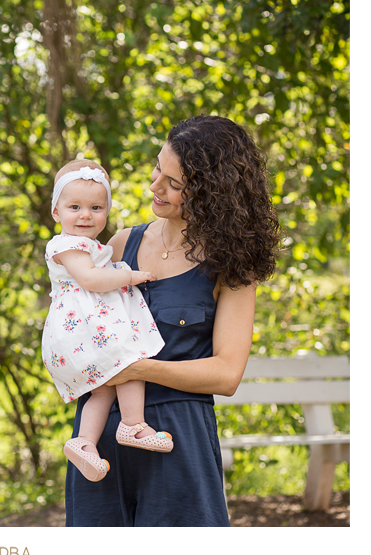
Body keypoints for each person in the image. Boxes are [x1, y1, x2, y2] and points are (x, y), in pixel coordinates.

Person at [64, 115, 280, 527]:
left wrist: (135, 368)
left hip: (177, 440)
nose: (154, 186)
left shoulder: (232, 265)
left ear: (209, 194)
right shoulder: (120, 243)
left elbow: (226, 373)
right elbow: (76, 320)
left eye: (173, 183)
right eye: (157, 168)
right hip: (99, 440)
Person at [42, 160, 173, 484]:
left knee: (102, 391)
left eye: (96, 207)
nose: (85, 215)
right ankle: (133, 424)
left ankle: (84, 442)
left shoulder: (90, 245)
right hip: (84, 329)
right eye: (75, 207)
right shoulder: (67, 245)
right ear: (56, 212)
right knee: (129, 359)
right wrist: (129, 276)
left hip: (88, 328)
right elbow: (89, 279)